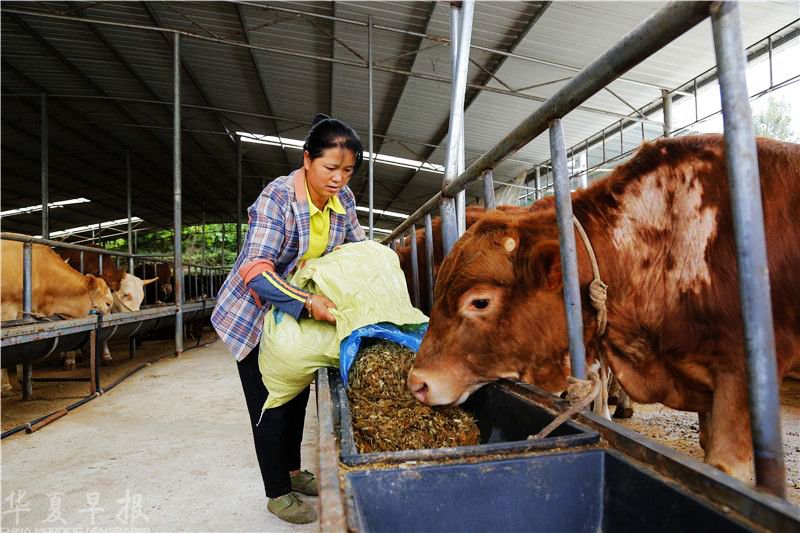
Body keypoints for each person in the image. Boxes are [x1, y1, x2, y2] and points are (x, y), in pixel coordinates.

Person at [212, 114, 366, 524]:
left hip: (293, 316)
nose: (339, 178)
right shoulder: (278, 197)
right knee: (271, 402)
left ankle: (294, 472)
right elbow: (255, 269)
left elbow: (359, 250)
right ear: (307, 160)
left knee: (296, 392)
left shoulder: (343, 201)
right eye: (330, 168)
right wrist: (308, 301)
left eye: (348, 171)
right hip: (254, 312)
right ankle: (277, 492)